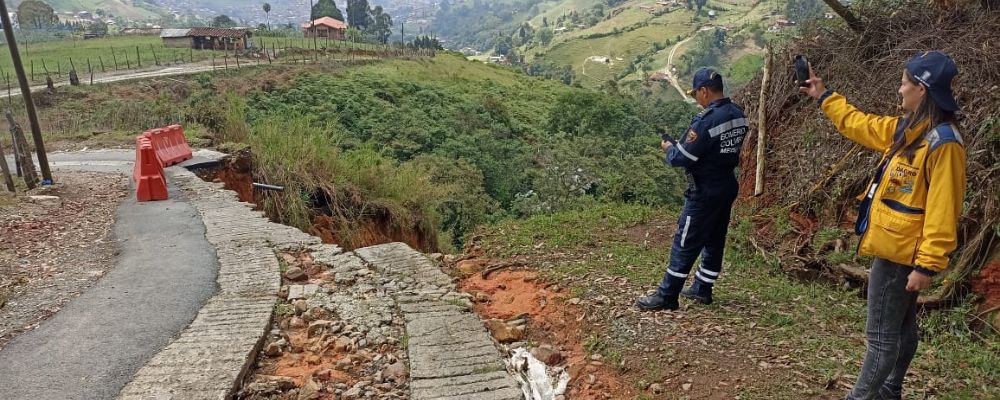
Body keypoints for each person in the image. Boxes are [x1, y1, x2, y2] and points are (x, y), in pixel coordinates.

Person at [800, 51, 966, 399]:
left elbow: (943, 210)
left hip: (901, 254)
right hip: (897, 246)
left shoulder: (943, 144)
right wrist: (824, 95)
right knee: (901, 330)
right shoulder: (909, 129)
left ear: (922, 88)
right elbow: (861, 124)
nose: (899, 89)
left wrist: (927, 264)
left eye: (905, 82)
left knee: (879, 337)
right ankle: (890, 390)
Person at [637, 68, 749, 311]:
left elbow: (682, 158)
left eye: (696, 94)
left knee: (685, 240)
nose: (697, 98)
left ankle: (667, 295)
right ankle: (702, 288)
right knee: (715, 238)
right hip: (726, 184)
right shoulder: (738, 113)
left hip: (705, 190)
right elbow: (713, 148)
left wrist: (669, 148)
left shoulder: (707, 119)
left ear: (704, 91)